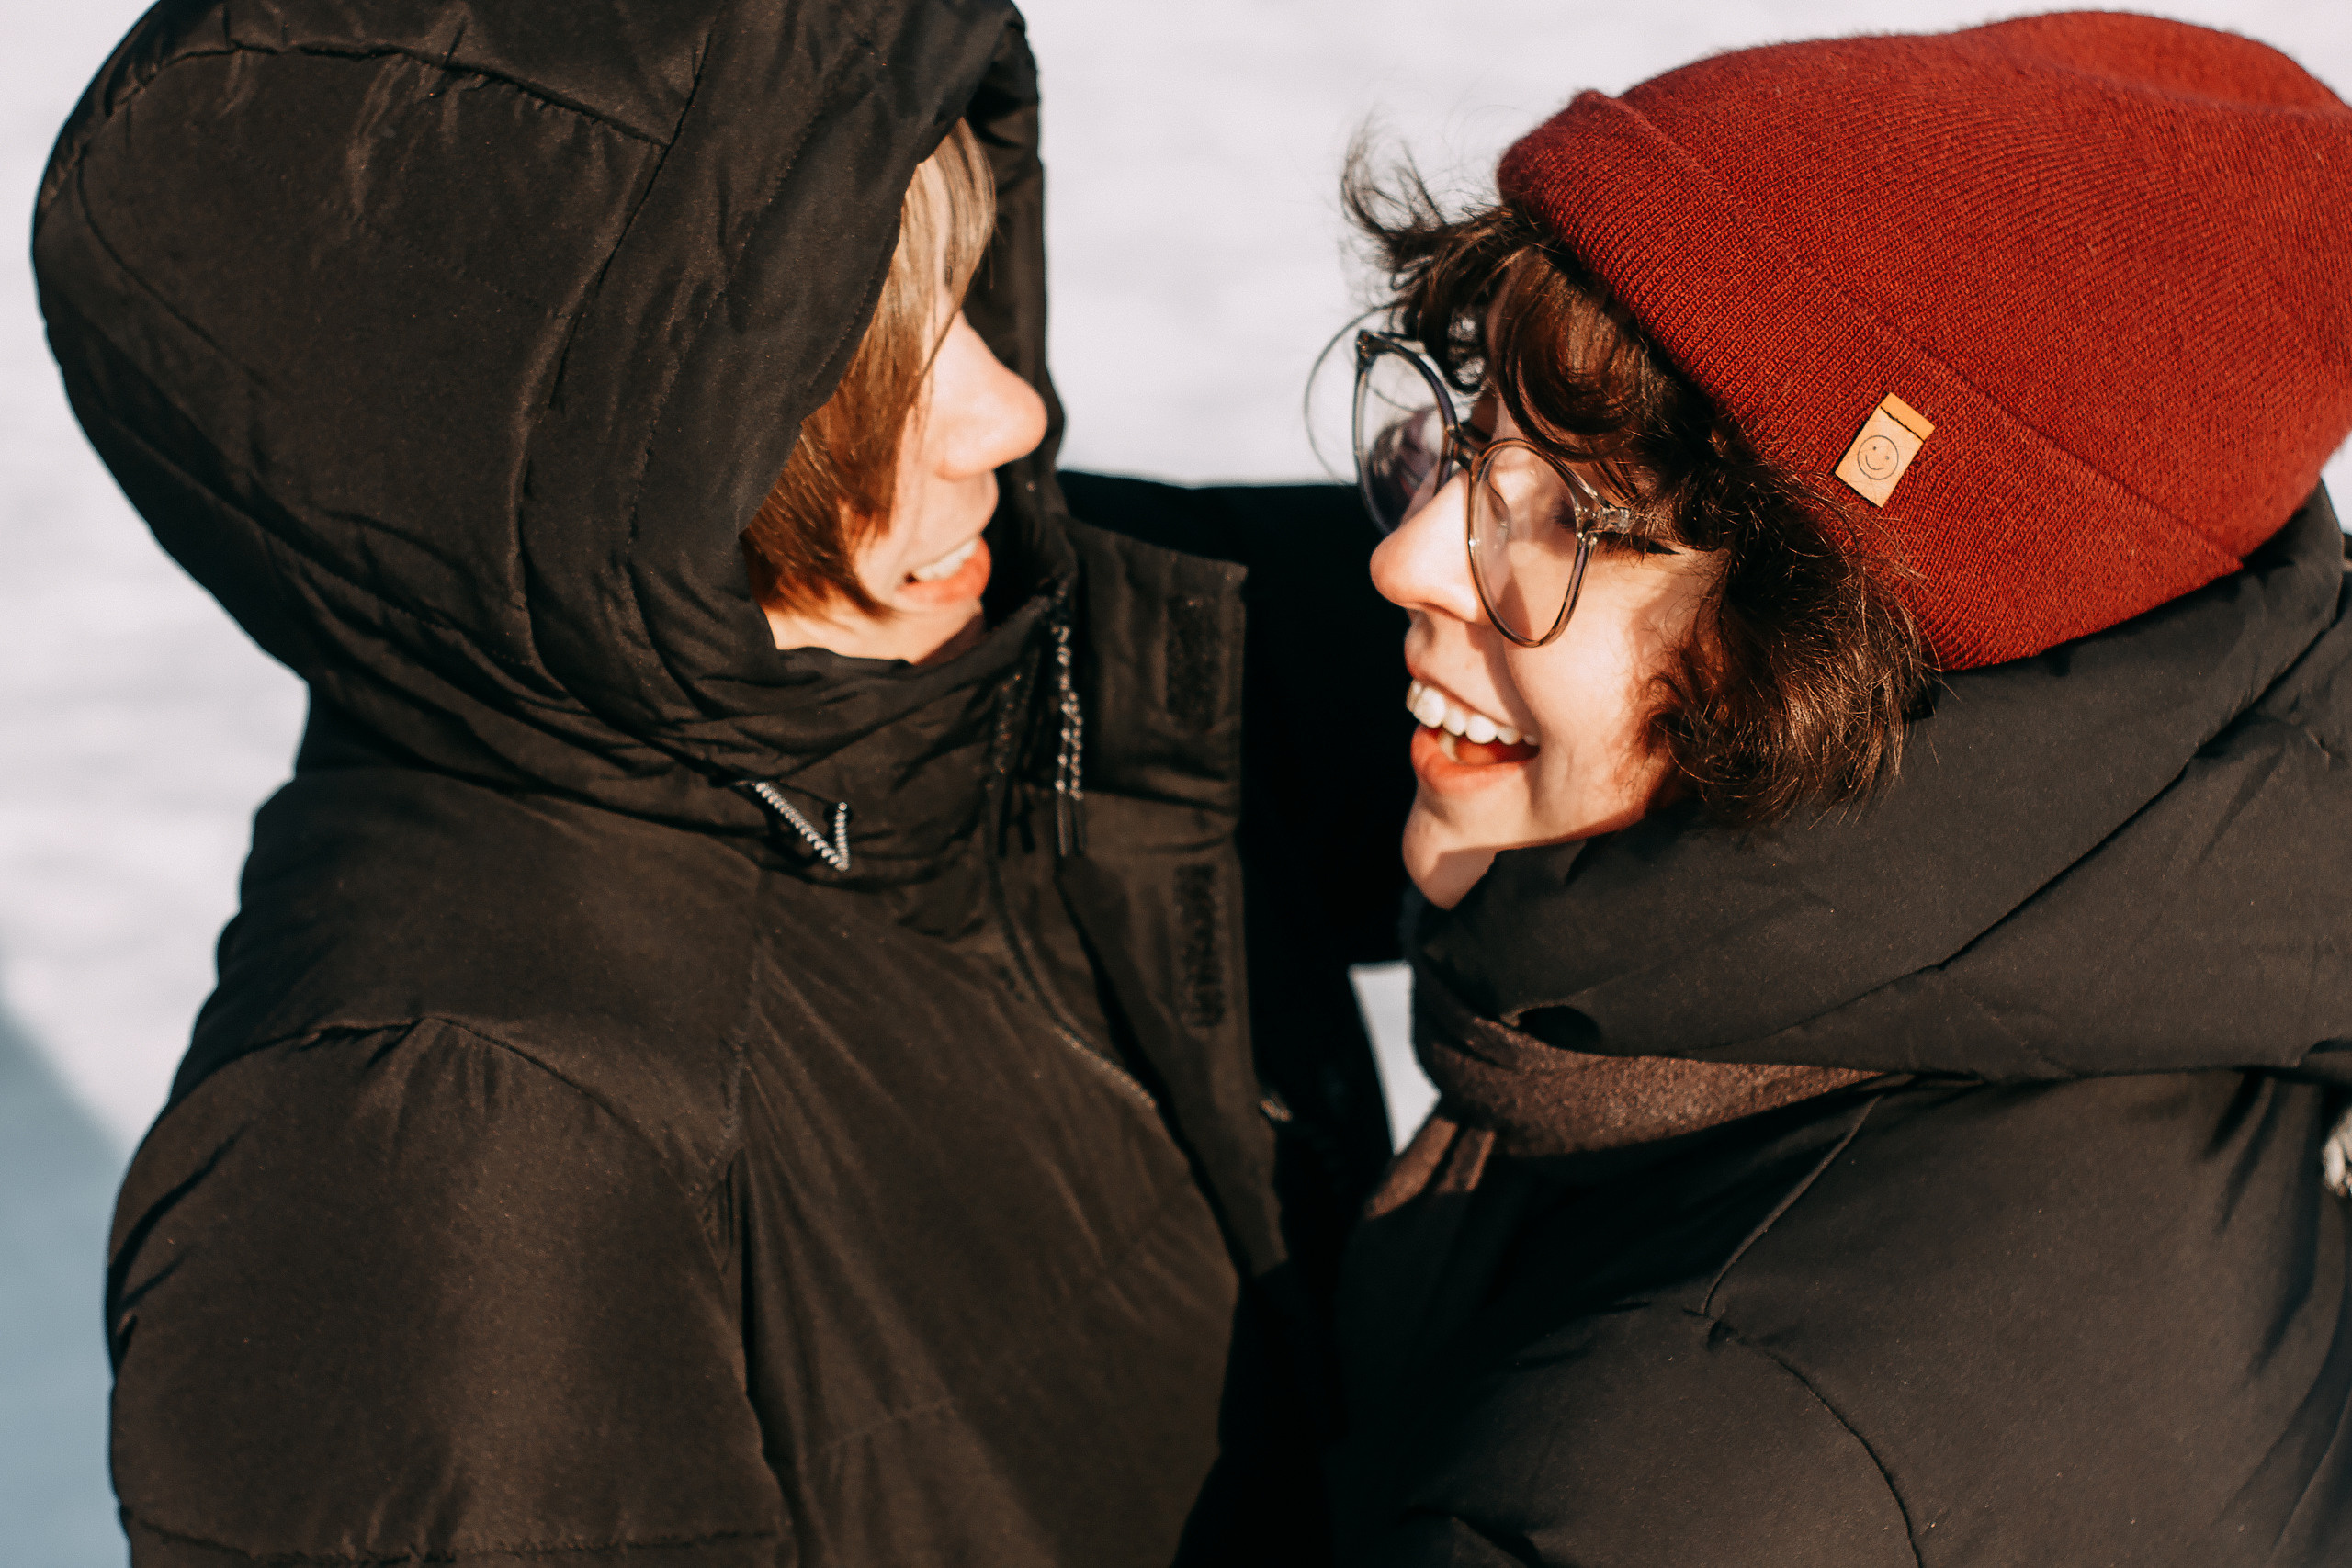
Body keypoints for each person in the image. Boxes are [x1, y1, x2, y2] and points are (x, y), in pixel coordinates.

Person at [34, 2, 1413, 1564]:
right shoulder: (430, 1168)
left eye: (964, 293)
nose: (1007, 413)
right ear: (596, 489)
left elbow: (1635, 702)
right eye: (852, 375)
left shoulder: (981, 628)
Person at [1329, 13, 2352, 1565]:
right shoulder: (2202, 918)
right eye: (1466, 437)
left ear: (1850, 649)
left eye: (1577, 516)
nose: (1407, 558)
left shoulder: (1667, 1483)